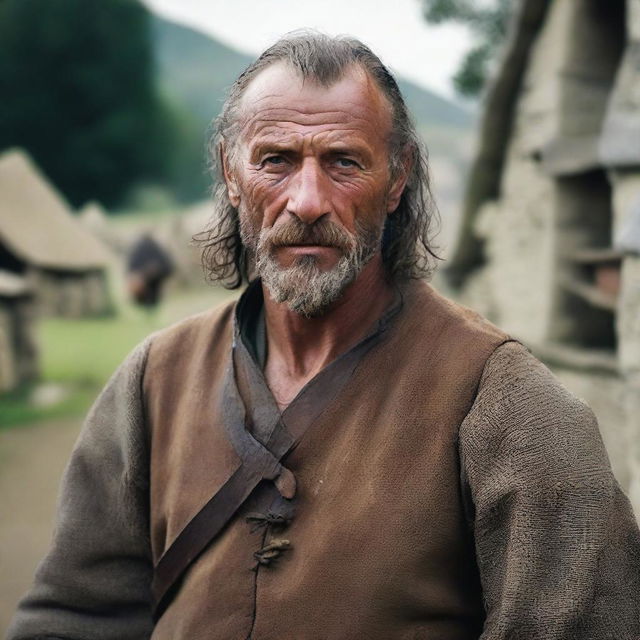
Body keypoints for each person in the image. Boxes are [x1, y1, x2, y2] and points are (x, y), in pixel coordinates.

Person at [8, 32, 640, 640]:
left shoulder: (506, 403)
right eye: (275, 161)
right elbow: (76, 616)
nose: (306, 200)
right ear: (233, 175)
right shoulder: (154, 380)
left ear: (397, 179)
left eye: (343, 162)